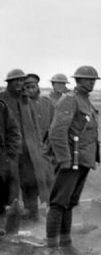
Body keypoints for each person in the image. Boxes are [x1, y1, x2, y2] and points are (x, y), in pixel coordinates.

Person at [46, 65, 101, 254]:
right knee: (58, 202)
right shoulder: (70, 100)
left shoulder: (85, 101)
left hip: (83, 159)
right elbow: (57, 132)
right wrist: (64, 158)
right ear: (78, 80)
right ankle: (52, 247)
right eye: (88, 79)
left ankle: (66, 244)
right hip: (72, 159)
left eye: (93, 80)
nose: (91, 82)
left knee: (69, 202)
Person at [1, 69, 53, 229]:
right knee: (10, 185)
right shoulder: (2, 100)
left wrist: (39, 146)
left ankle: (33, 215)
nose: (19, 83)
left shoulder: (26, 101)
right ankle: (8, 222)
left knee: (32, 183)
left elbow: (35, 126)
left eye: (21, 80)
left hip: (29, 150)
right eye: (15, 80)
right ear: (8, 82)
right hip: (9, 151)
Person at [0, 91, 21, 237]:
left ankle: (2, 229)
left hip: (1, 160)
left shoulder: (2, 108)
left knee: (3, 196)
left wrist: (9, 155)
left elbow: (14, 132)